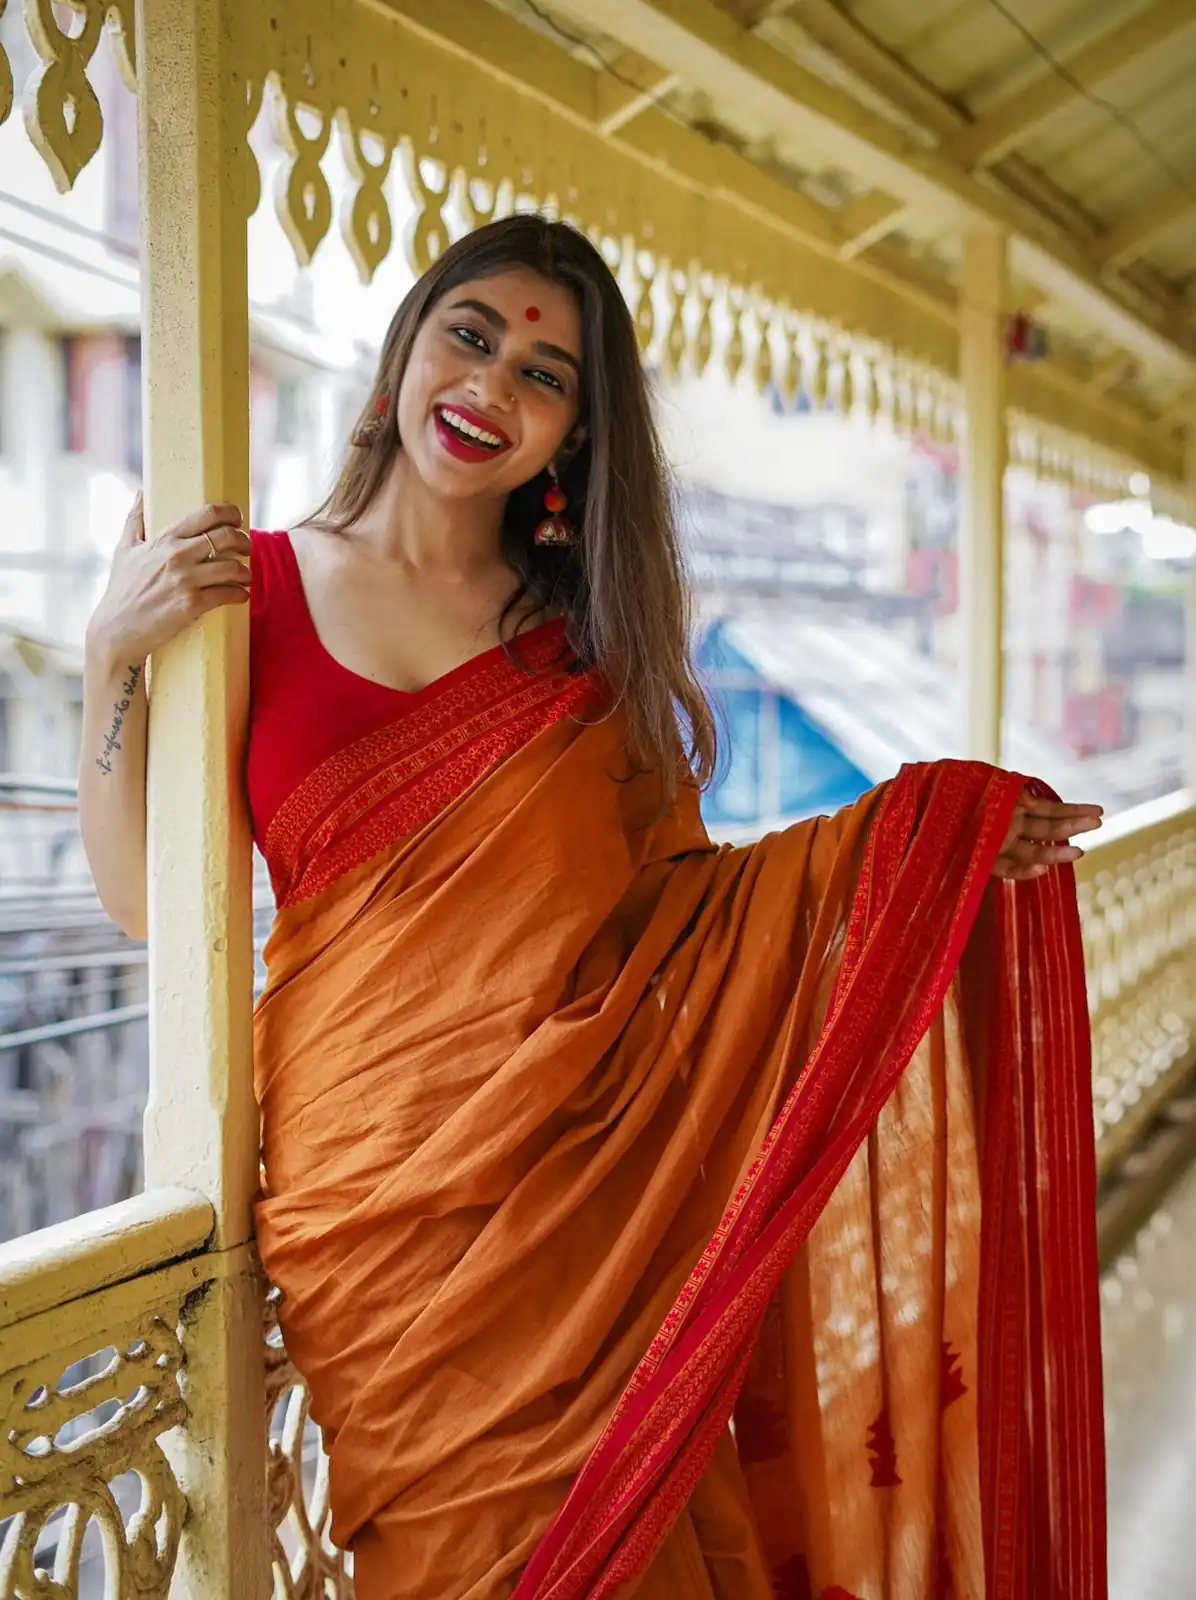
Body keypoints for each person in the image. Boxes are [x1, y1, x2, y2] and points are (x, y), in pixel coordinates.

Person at [79, 215, 1107, 1600]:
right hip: (369, 1209)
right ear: (404, 354)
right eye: (473, 334)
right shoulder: (245, 592)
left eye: (547, 374)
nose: (494, 385)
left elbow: (686, 916)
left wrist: (921, 839)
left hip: (583, 1205)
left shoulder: (579, 651)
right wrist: (108, 667)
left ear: (571, 437)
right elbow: (149, 901)